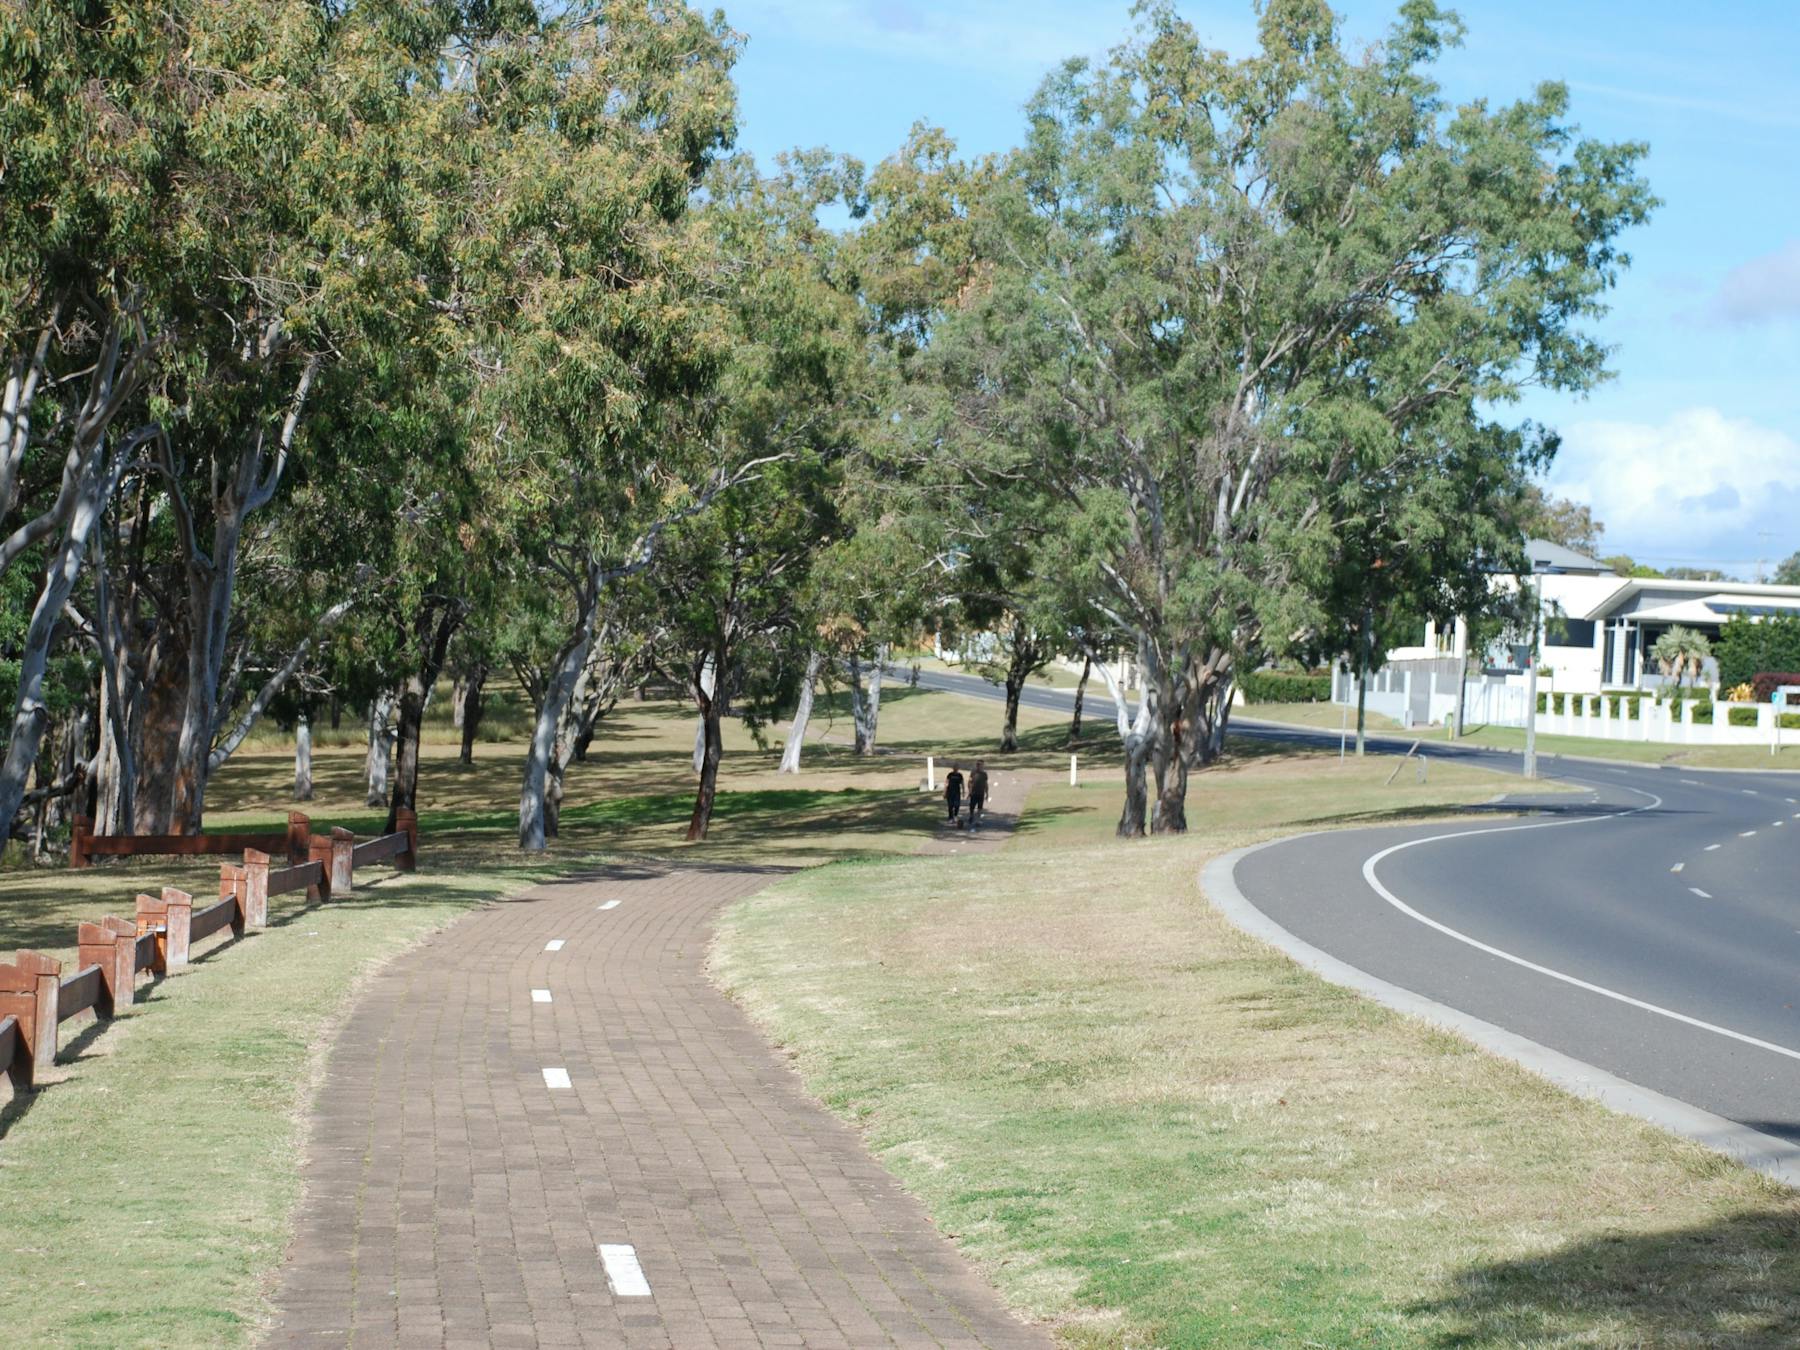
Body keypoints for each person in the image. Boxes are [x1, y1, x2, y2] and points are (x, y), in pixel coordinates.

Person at [967, 760, 989, 831]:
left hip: (981, 793)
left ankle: (978, 821)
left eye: (981, 765)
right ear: (977, 765)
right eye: (978, 765)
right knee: (972, 806)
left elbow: (986, 784)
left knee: (980, 807)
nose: (980, 766)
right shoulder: (973, 773)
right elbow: (969, 782)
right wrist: (969, 791)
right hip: (974, 792)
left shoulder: (984, 774)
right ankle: (971, 816)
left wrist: (987, 793)